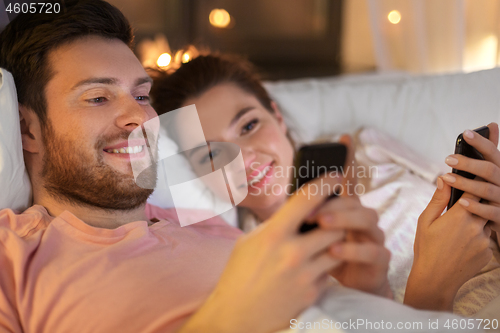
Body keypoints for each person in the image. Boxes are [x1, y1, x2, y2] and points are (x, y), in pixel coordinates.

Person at [0, 1, 392, 332]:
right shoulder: (13, 257)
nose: (139, 116)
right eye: (99, 98)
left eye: (141, 94)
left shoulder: (209, 226)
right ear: (26, 129)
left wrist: (367, 296)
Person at [150, 54, 500, 312]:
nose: (243, 158)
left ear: (277, 115)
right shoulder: (253, 266)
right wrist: (432, 287)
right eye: (211, 156)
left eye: (248, 126)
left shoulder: (368, 147)